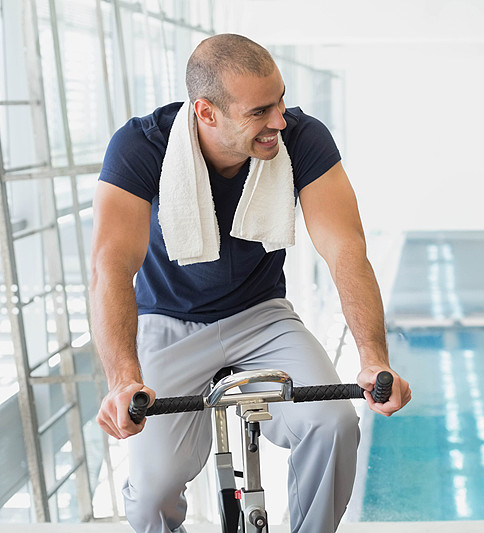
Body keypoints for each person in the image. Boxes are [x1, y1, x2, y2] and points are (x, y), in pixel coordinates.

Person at [90, 33, 411, 533]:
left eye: (280, 101)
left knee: (333, 425)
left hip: (262, 316)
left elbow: (345, 248)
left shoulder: (302, 138)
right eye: (260, 111)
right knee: (153, 493)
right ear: (206, 112)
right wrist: (123, 379)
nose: (279, 121)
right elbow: (111, 267)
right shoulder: (141, 145)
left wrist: (373, 358)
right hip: (168, 321)